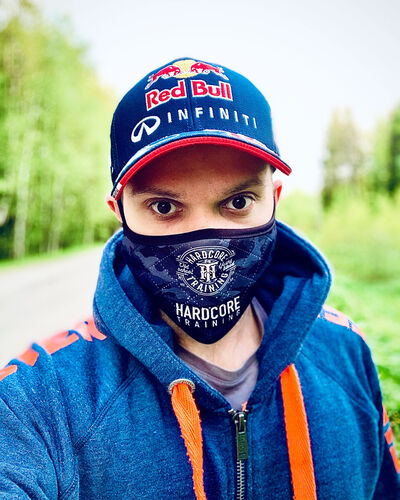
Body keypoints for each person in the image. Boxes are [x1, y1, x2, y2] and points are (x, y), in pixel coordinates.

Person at [0, 57, 398, 500]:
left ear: (275, 198)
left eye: (238, 202)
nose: (205, 237)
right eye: (164, 207)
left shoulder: (345, 353)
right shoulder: (41, 396)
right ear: (119, 212)